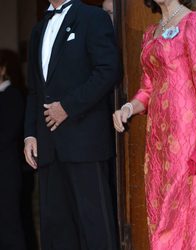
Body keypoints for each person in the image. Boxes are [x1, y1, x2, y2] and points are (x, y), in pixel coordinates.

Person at [113, 0, 196, 249]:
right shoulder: (149, 33)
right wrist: (128, 107)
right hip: (158, 136)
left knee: (187, 203)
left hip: (186, 130)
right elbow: (146, 90)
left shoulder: (195, 21)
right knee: (159, 202)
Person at [24, 0, 121, 249]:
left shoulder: (92, 18)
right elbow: (34, 90)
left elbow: (108, 70)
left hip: (85, 144)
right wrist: (30, 135)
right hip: (48, 147)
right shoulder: (38, 29)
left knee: (95, 230)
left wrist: (67, 106)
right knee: (56, 231)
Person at [0, 49, 26, 250]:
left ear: (3, 70)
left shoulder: (13, 96)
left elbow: (8, 133)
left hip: (7, 170)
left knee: (10, 225)